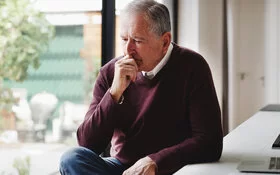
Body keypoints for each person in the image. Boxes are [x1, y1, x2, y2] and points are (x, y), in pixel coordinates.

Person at [59, 0, 223, 174]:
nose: (128, 50)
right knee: (71, 159)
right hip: (122, 167)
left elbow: (209, 142)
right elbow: (87, 144)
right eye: (124, 39)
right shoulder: (110, 73)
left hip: (169, 168)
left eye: (137, 40)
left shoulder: (192, 66)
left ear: (165, 41)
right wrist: (114, 93)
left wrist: (156, 161)